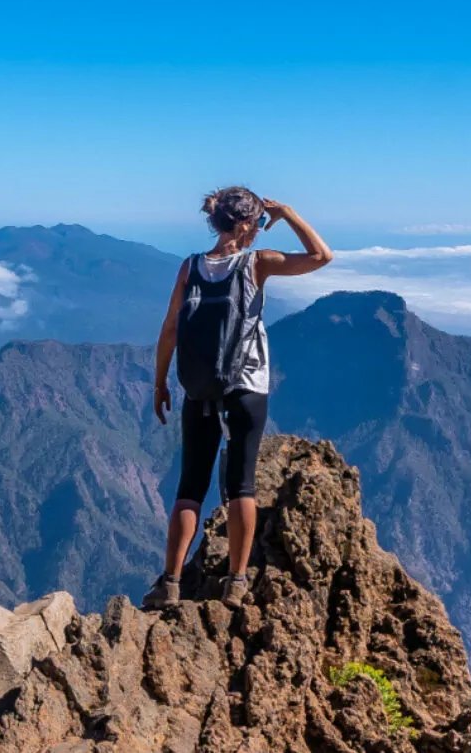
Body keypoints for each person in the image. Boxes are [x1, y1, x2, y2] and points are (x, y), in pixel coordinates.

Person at [142, 187, 333, 610]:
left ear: (215, 221)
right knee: (241, 484)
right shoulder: (256, 264)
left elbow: (170, 329)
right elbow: (322, 256)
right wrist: (289, 213)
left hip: (199, 387)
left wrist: (160, 383)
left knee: (190, 486)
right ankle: (236, 582)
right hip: (247, 386)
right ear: (247, 223)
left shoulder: (190, 267)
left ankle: (170, 583)